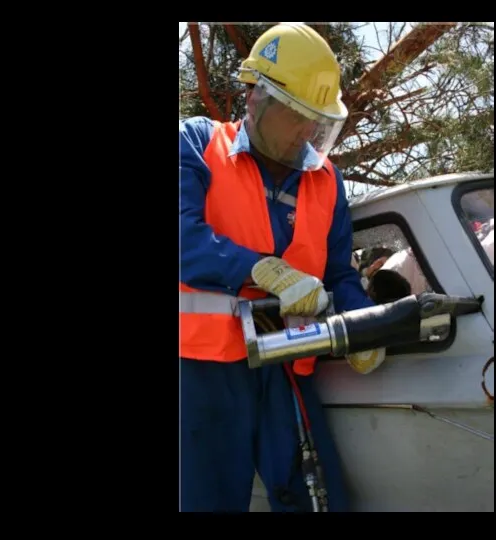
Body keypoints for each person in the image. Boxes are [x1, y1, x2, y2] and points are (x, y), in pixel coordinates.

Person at [179, 23, 387, 513]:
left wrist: (360, 328)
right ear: (256, 98)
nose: (308, 132)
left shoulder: (326, 180)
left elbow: (339, 274)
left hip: (289, 364)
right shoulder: (196, 143)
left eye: (318, 121)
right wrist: (260, 270)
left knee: (316, 498)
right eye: (298, 116)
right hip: (205, 371)